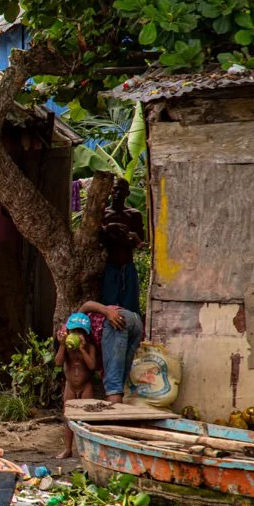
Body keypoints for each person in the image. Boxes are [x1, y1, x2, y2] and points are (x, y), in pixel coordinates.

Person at [55, 312, 99, 459]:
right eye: (73, 332)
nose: (76, 335)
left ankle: (87, 450)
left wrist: (82, 349)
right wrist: (62, 345)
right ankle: (68, 448)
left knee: (87, 417)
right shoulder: (66, 348)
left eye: (80, 332)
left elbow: (92, 366)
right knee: (68, 416)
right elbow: (58, 363)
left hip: (85, 386)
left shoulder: (90, 348)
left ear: (86, 334)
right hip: (70, 386)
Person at [100, 178, 145, 317]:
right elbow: (98, 238)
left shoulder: (134, 215)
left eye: (121, 190)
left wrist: (124, 237)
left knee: (131, 309)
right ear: (110, 191)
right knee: (109, 308)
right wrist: (111, 228)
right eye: (115, 189)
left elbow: (139, 242)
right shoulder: (103, 214)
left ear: (128, 193)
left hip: (127, 266)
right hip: (109, 267)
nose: (117, 192)